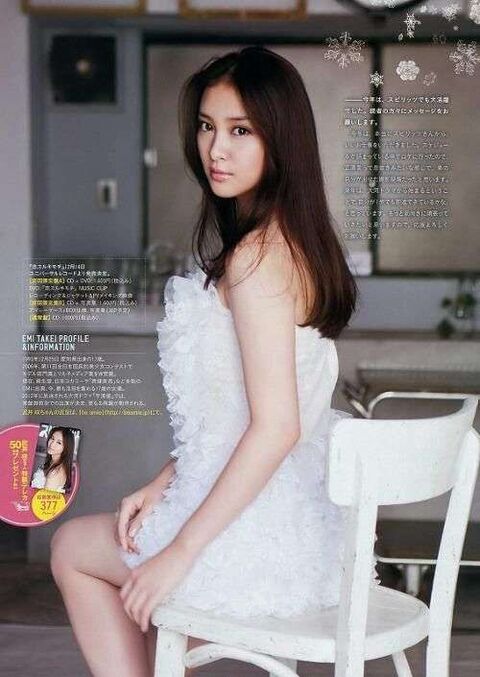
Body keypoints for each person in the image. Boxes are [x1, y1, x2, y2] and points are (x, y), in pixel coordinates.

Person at [49, 46, 379, 676]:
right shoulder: (293, 243)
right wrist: (163, 482)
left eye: (240, 130)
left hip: (251, 539)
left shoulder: (258, 259)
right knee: (131, 593)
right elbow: (242, 412)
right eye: (207, 126)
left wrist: (181, 551)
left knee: (70, 547)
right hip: (293, 524)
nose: (215, 149)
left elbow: (277, 426)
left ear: (281, 141)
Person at [31, 426, 74, 494]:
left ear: (66, 447)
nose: (52, 444)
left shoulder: (55, 472)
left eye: (59, 442)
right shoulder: (53, 462)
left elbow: (44, 498)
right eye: (52, 438)